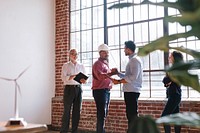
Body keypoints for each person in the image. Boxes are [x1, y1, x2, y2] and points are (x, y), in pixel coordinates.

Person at [111, 41, 143, 133]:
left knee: (132, 115)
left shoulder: (134, 60)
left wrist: (118, 82)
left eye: (125, 48)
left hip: (132, 91)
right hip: (130, 91)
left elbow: (133, 77)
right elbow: (128, 75)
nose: (124, 50)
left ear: (128, 49)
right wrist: (118, 73)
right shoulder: (132, 60)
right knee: (131, 115)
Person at [92, 44, 117, 133]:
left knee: (104, 113)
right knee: (101, 114)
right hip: (100, 91)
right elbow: (99, 76)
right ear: (100, 53)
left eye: (107, 52)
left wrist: (113, 76)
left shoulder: (105, 64)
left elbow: (107, 77)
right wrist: (111, 73)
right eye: (104, 52)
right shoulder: (97, 64)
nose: (107, 54)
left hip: (106, 91)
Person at [60, 49, 87, 133]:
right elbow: (63, 78)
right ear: (69, 55)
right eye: (72, 54)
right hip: (69, 88)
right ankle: (64, 131)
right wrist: (71, 76)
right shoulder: (65, 65)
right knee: (67, 110)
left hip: (78, 89)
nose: (74, 55)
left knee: (77, 111)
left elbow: (85, 79)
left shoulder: (81, 66)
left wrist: (84, 81)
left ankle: (74, 131)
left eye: (76, 54)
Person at [161, 51, 183, 133]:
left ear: (174, 58)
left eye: (170, 56)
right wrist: (168, 82)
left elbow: (166, 80)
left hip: (174, 95)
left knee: (164, 117)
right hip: (175, 95)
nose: (169, 57)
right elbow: (166, 82)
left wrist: (168, 81)